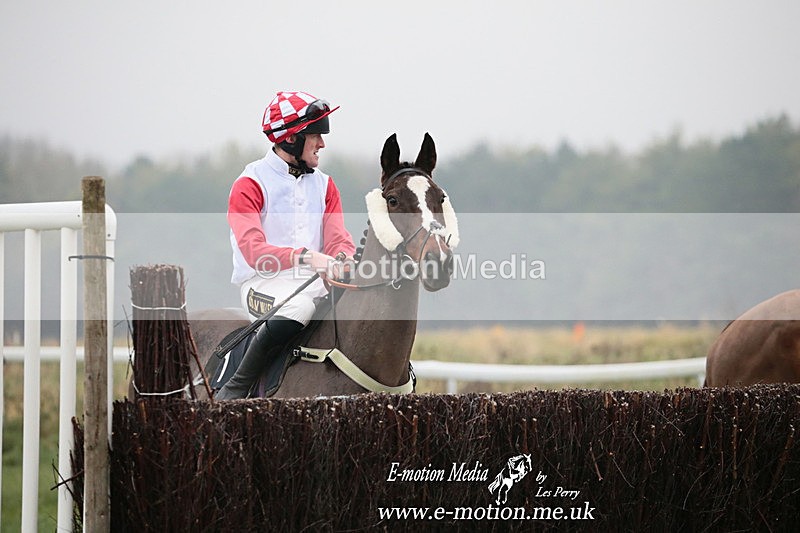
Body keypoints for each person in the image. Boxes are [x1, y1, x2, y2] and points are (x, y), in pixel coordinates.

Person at [215, 91, 355, 400]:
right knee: (299, 307)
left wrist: (343, 257)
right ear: (291, 138)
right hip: (261, 286)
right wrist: (307, 258)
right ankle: (235, 388)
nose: (322, 143)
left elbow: (337, 237)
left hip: (316, 285)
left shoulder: (326, 184)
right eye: (316, 135)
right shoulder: (250, 183)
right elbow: (254, 252)